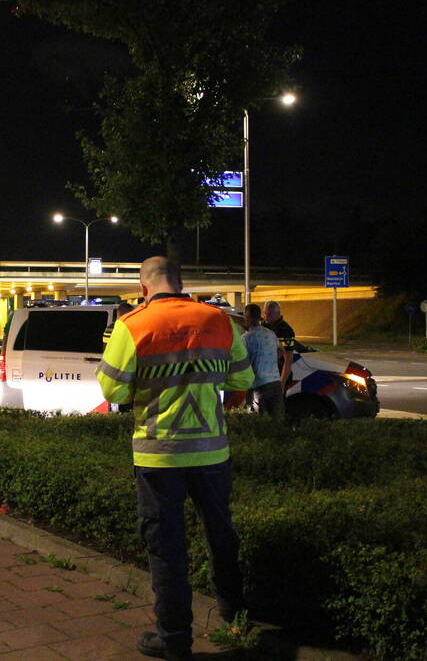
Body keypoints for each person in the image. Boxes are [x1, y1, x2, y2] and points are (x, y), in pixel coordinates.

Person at [98, 257, 254, 661]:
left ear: (143, 286)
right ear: (181, 283)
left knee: (166, 547)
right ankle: (234, 612)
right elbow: (242, 380)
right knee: (220, 530)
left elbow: (113, 391)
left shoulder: (133, 325)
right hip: (212, 452)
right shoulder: (220, 321)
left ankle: (174, 640)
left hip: (159, 457)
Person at [242, 304, 284, 418]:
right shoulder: (270, 334)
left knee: (261, 424)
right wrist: (270, 360)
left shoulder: (246, 338)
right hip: (276, 383)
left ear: (248, 317)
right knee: (277, 422)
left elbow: (241, 362)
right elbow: (281, 351)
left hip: (259, 386)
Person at [264, 300, 296, 388]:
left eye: (269, 314)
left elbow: (288, 359)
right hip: (266, 376)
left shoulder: (285, 330)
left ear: (277, 313)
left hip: (277, 376)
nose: (266, 317)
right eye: (265, 313)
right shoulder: (265, 325)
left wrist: (282, 383)